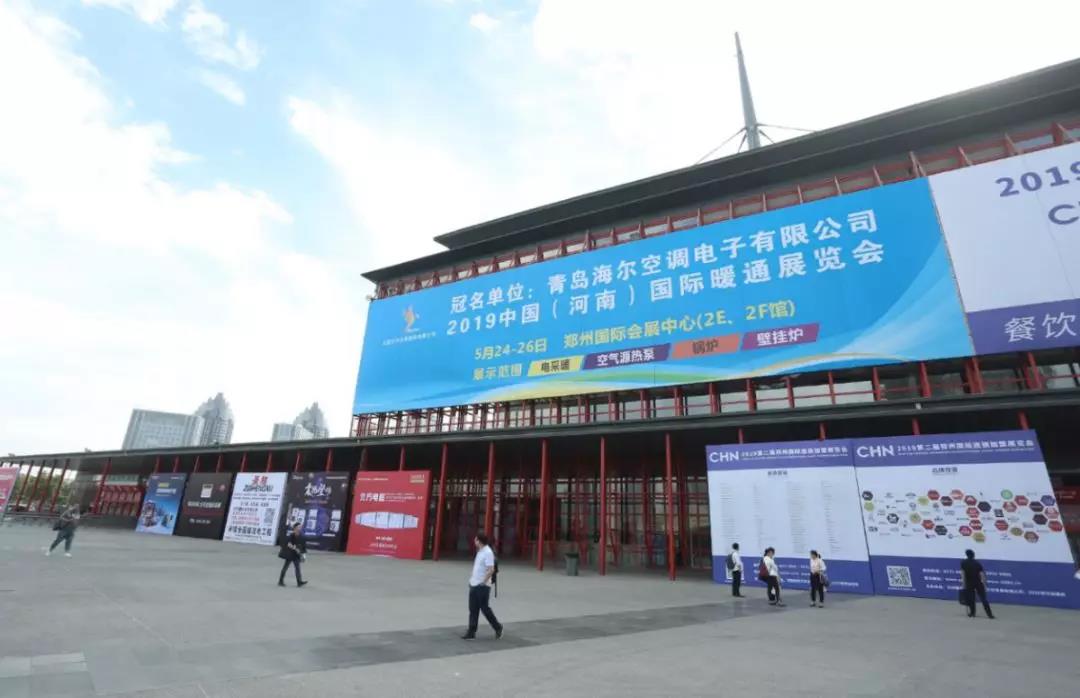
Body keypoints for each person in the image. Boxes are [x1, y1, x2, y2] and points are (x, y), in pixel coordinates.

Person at [462, 533, 503, 640]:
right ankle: (471, 631)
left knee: (485, 609)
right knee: (473, 609)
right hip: (474, 584)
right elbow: (477, 568)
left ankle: (498, 627)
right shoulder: (479, 551)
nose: (474, 541)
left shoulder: (488, 552)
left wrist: (483, 582)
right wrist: (471, 580)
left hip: (482, 586)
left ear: (479, 541)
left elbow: (491, 569)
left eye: (475, 539)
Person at [960, 549, 994, 619]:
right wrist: (984, 584)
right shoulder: (977, 563)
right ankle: (989, 614)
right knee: (983, 599)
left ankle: (972, 613)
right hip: (978, 583)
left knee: (971, 599)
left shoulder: (963, 563)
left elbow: (963, 575)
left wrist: (963, 585)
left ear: (966, 555)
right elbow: (982, 575)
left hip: (969, 583)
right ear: (973, 555)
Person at [278, 522, 308, 588]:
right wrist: (295, 549)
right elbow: (289, 544)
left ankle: (299, 582)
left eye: (300, 527)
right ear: (295, 528)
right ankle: (280, 581)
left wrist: (303, 555)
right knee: (285, 567)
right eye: (299, 527)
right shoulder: (291, 535)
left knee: (297, 568)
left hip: (296, 555)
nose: (300, 528)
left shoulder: (301, 536)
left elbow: (303, 546)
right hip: (290, 554)